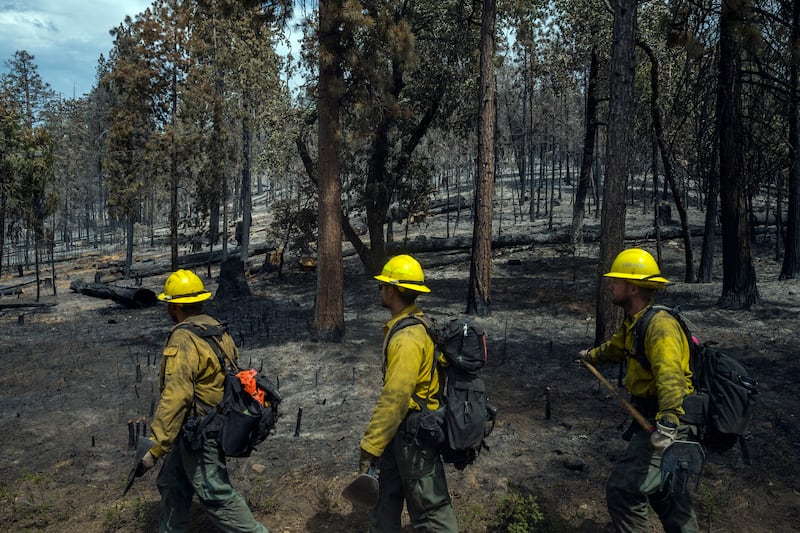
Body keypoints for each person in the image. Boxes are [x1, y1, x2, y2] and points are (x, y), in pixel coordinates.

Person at [135, 269, 269, 533]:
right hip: (203, 425)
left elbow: (177, 395)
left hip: (201, 431)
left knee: (216, 494)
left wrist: (156, 446)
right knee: (173, 484)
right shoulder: (216, 329)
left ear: (174, 306)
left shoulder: (184, 339)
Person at [578, 248, 699, 533]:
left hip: (670, 421)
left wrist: (667, 425)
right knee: (668, 495)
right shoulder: (637, 322)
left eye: (615, 281)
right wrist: (591, 356)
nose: (610, 285)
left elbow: (671, 377)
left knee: (624, 491)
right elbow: (618, 348)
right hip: (655, 417)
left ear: (632, 288)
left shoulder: (660, 326)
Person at [358, 254, 458, 532]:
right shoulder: (420, 324)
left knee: (431, 513)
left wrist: (370, 445)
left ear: (391, 290)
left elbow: (396, 398)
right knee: (383, 502)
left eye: (382, 286)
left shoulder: (406, 339)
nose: (380, 290)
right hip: (401, 434)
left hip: (414, 439)